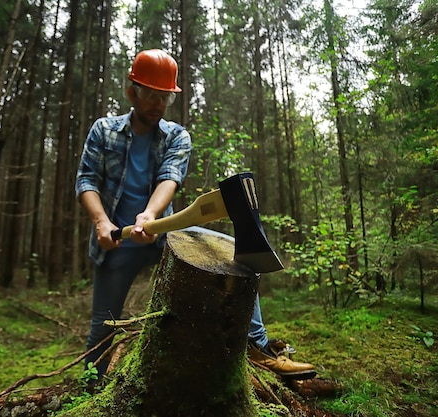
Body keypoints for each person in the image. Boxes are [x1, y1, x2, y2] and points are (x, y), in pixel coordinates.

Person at [75, 49, 315, 382]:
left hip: (165, 236)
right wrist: (102, 222)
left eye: (165, 98)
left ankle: (260, 350)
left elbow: (169, 178)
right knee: (103, 325)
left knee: (231, 253)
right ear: (132, 92)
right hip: (116, 242)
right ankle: (87, 390)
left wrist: (150, 214)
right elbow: (86, 179)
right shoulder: (103, 131)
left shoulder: (176, 136)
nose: (159, 104)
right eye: (152, 96)